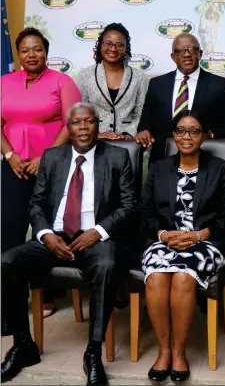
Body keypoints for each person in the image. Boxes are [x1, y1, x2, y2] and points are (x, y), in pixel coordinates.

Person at [1, 103, 137, 385]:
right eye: (77, 123)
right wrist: (45, 235)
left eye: (89, 122)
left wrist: (98, 231)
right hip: (56, 236)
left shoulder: (117, 157)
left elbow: (129, 206)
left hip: (95, 237)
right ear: (68, 127)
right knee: (6, 263)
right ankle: (24, 345)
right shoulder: (52, 157)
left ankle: (93, 353)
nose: (84, 128)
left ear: (98, 126)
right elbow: (36, 204)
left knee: (107, 265)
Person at [141, 110, 225, 382]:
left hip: (205, 242)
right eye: (181, 130)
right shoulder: (159, 168)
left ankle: (180, 352)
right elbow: (145, 212)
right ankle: (164, 351)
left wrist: (200, 235)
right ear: (173, 135)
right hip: (165, 239)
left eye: (194, 131)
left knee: (183, 278)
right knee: (158, 276)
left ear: (205, 135)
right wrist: (163, 235)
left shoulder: (220, 169)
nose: (187, 136)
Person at [1, 27, 81, 316]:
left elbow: (71, 124)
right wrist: (9, 155)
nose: (31, 55)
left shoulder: (62, 82)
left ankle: (46, 295)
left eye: (37, 49)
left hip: (52, 167)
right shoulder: (4, 82)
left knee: (45, 230)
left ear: (46, 52)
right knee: (9, 231)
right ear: (18, 54)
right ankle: (10, 306)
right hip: (13, 167)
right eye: (25, 50)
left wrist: (45, 158)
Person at [136, 33, 225, 163]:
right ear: (173, 57)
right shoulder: (157, 84)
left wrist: (211, 134)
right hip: (162, 162)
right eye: (180, 51)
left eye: (192, 49)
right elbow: (145, 121)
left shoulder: (220, 85)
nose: (186, 54)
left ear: (200, 54)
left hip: (205, 162)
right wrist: (143, 130)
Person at [76, 22, 147, 140]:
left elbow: (140, 114)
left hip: (127, 144)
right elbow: (80, 113)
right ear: (101, 45)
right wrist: (95, 135)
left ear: (126, 48)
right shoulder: (85, 75)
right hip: (95, 143)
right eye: (108, 43)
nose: (113, 49)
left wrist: (128, 135)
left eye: (119, 45)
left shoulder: (139, 76)